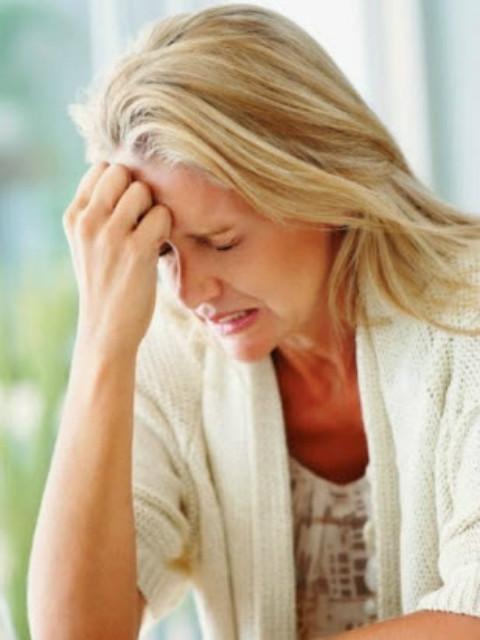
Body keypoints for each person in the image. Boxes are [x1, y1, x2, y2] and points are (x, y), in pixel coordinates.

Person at [27, 4, 480, 639]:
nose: (192, 292)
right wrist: (103, 341)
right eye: (163, 253)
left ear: (324, 185)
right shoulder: (170, 351)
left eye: (221, 241)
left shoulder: (467, 323)